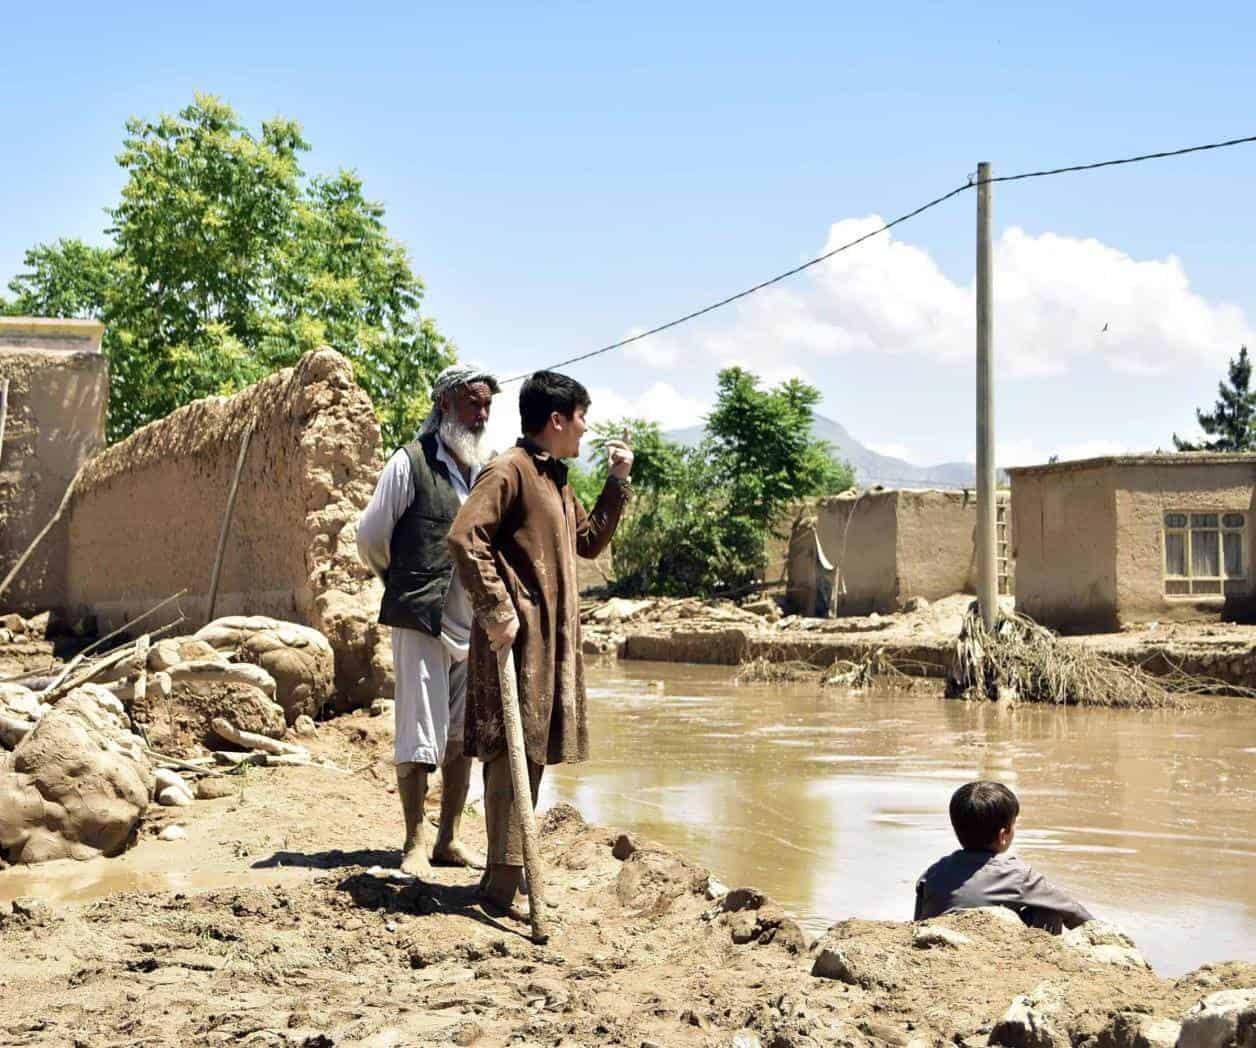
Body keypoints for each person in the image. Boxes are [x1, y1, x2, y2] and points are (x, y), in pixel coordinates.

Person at [447, 370, 633, 914]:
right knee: (512, 753)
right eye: (581, 419)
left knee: (529, 752)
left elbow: (589, 542)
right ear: (556, 419)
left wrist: (617, 481)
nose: (585, 429)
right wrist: (497, 610)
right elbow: (464, 537)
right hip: (518, 642)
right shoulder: (508, 470)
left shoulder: (555, 477)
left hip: (550, 644)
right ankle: (502, 883)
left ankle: (503, 876)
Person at [356, 363, 501, 878]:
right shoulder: (410, 462)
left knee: (460, 733)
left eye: (486, 405)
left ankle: (449, 839)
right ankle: (413, 842)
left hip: (473, 624)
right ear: (444, 405)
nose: (481, 414)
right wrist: (400, 583)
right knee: (419, 732)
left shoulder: (485, 469)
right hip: (421, 617)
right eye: (472, 404)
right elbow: (370, 535)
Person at [914, 780, 1093, 933]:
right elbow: (1073, 912)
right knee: (1049, 911)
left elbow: (918, 922)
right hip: (992, 953)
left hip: (940, 945)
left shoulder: (933, 872)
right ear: (1003, 835)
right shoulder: (1017, 875)